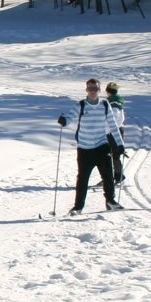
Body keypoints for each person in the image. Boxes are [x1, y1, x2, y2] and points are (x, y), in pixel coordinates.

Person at [58, 77, 126, 214]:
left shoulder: (105, 104)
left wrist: (120, 144)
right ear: (86, 90)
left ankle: (111, 202)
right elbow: (70, 117)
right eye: (90, 88)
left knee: (108, 176)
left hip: (102, 146)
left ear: (99, 90)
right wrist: (64, 121)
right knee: (83, 179)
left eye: (95, 88)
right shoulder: (81, 105)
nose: (92, 91)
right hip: (85, 148)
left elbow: (113, 125)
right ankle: (78, 207)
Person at [105, 81, 127, 184]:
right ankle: (115, 176)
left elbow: (115, 119)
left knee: (114, 154)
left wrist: (107, 129)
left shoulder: (114, 103)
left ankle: (118, 176)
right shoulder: (114, 101)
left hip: (114, 131)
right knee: (112, 154)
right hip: (114, 130)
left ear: (108, 91)